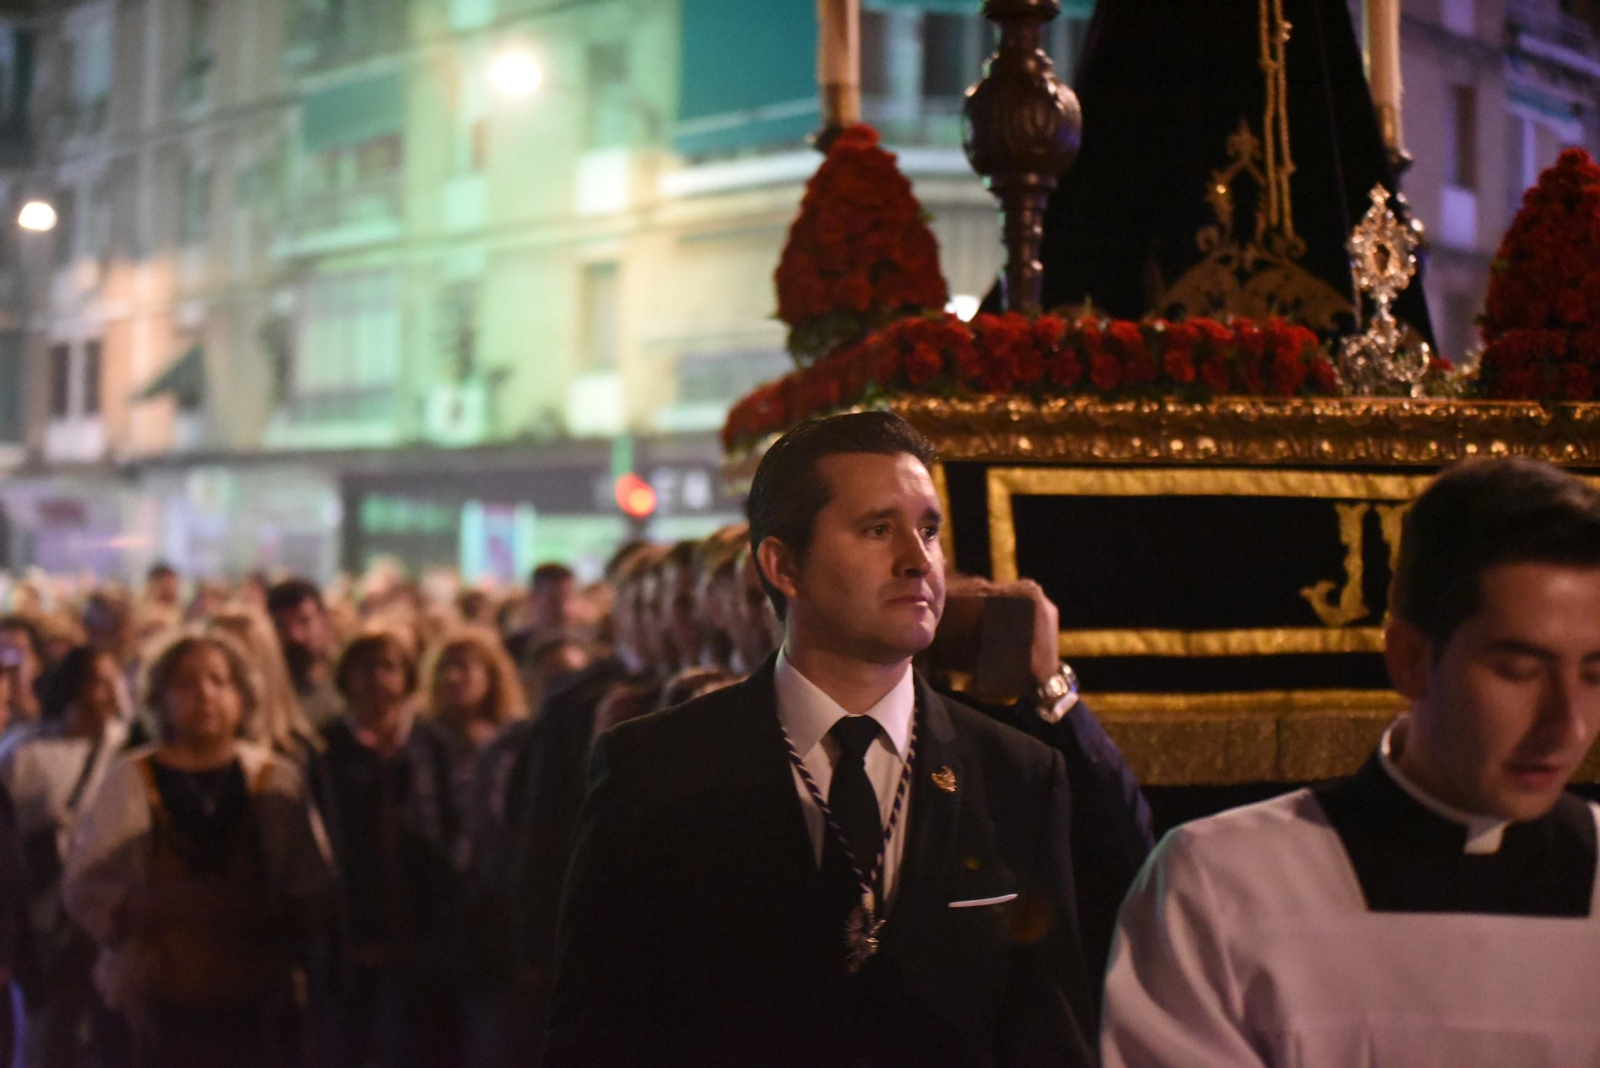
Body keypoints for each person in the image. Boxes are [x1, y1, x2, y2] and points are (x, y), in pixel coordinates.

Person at [545, 412, 1097, 1066]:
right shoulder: (654, 770)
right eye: (877, 529)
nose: (917, 561)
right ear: (783, 565)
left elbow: (1050, 1036)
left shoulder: (1017, 774)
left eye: (928, 530)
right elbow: (596, 1035)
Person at [1101, 456, 1600, 1067]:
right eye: (1518, 671)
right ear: (1410, 660)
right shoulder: (1222, 883)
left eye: (1596, 674)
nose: (1568, 725)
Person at [61, 632, 332, 1068]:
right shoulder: (132, 780)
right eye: (186, 684)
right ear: (161, 698)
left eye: (218, 681)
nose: (205, 694)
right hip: (158, 1003)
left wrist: (263, 911)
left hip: (254, 1000)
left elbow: (312, 883)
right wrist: (147, 906)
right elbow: (86, 884)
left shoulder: (274, 779)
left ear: (241, 695)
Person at [315, 631, 466, 1068]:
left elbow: (451, 822)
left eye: (390, 666)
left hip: (422, 925)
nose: (378, 679)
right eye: (366, 668)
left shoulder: (429, 742)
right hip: (351, 928)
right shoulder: (328, 746)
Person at [0, 646, 129, 1068]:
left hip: (107, 915)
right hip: (48, 916)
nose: (111, 693)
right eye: (98, 681)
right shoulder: (27, 756)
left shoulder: (128, 750)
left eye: (115, 681)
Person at [421, 628, 528, 831]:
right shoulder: (422, 738)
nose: (451, 677)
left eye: (462, 667)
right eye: (443, 668)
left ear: (490, 675)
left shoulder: (513, 739)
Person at [267, 579, 343, 730]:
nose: (295, 635)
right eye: (282, 626)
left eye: (304, 621)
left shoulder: (348, 684)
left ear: (324, 622)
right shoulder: (264, 695)